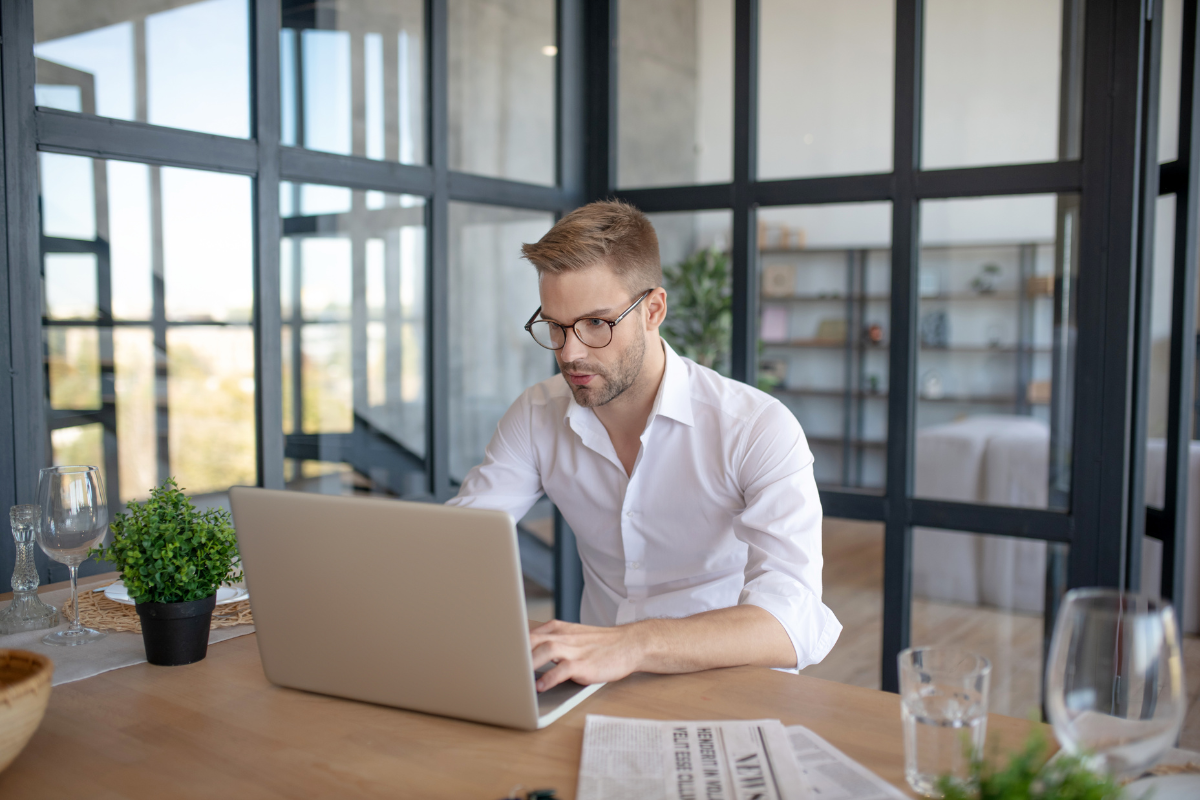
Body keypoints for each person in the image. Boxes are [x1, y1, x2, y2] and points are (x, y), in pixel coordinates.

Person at [447, 200, 840, 692]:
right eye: (555, 326)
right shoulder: (535, 415)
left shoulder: (755, 427)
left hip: (730, 688)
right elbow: (456, 545)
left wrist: (632, 644)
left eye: (596, 323)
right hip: (597, 688)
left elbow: (791, 621)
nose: (569, 353)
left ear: (653, 310)